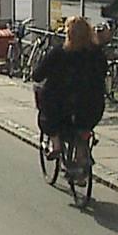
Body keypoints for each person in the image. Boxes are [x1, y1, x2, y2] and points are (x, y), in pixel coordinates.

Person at [31, 16, 107, 159]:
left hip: (61, 107)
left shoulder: (58, 53)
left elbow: (37, 75)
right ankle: (81, 151)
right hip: (91, 108)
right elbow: (103, 73)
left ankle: (56, 144)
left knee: (46, 115)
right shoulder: (97, 54)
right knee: (84, 126)